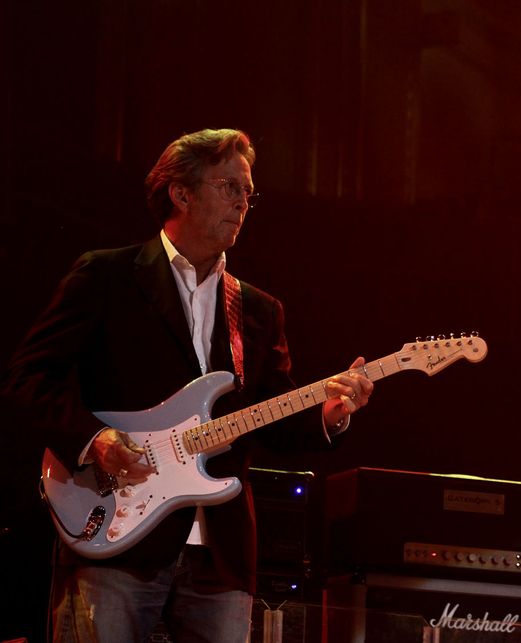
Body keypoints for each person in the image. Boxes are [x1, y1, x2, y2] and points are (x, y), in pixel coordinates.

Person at [2, 128, 374, 641]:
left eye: (249, 193)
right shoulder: (106, 278)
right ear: (182, 192)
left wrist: (330, 416)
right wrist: (96, 440)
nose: (244, 203)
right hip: (116, 532)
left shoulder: (259, 310)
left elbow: (273, 422)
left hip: (220, 555)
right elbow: (25, 382)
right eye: (230, 188)